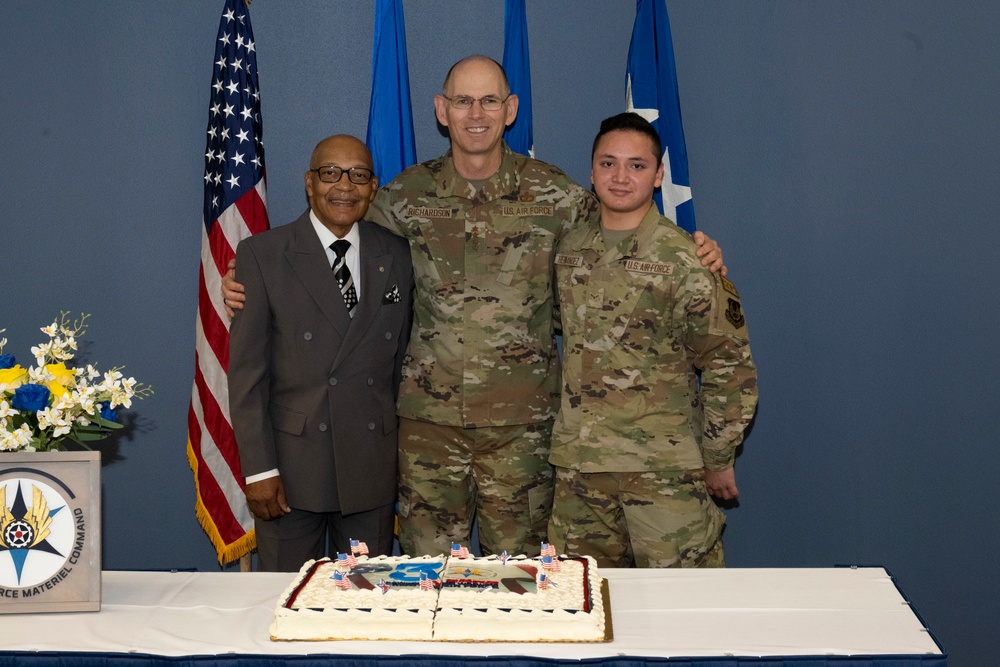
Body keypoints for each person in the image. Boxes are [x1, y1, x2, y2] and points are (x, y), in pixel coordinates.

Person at [224, 56, 725, 558]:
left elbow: (625, 223)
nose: (476, 113)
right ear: (442, 111)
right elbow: (334, 222)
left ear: (510, 110)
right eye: (463, 101)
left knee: (520, 584)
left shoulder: (556, 194)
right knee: (425, 583)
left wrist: (695, 250)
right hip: (428, 434)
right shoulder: (405, 195)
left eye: (489, 100)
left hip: (522, 435)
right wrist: (261, 272)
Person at [547, 112, 758, 568]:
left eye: (637, 165)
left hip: (663, 476)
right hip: (580, 475)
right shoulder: (568, 250)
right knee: (582, 614)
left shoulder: (687, 259)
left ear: (659, 174)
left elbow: (728, 365)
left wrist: (718, 456)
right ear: (591, 171)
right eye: (608, 163)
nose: (621, 177)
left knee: (685, 620)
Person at [228, 134, 413, 571]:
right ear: (309, 183)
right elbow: (248, 378)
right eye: (330, 173)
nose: (344, 186)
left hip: (370, 468)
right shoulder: (263, 255)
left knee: (368, 609)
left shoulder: (397, 254)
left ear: (373, 188)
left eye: (359, 175)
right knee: (285, 603)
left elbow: (402, 362)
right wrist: (259, 471)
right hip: (292, 473)